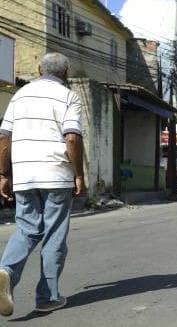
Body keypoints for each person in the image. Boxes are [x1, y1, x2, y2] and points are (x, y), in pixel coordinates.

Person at [0, 52, 85, 316]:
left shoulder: (19, 95)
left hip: (25, 174)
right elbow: (71, 138)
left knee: (27, 229)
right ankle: (47, 297)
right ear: (66, 72)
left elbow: (4, 138)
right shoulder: (69, 96)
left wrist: (3, 174)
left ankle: (5, 271)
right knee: (54, 234)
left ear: (39, 69)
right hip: (56, 173)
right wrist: (78, 173)